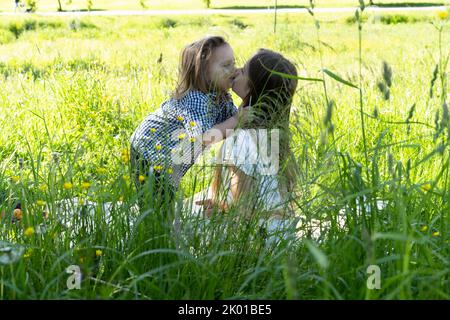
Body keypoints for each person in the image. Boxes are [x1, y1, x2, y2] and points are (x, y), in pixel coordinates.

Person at [186, 49, 300, 246]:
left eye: (244, 71)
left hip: (259, 241)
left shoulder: (243, 140)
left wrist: (220, 212)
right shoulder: (276, 137)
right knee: (196, 201)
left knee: (182, 217)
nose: (236, 71)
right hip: (279, 236)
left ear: (253, 89)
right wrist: (221, 204)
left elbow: (245, 212)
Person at [130, 36, 249, 211]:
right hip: (148, 152)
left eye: (233, 63)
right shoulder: (196, 99)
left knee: (164, 198)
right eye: (225, 66)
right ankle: (153, 233)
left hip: (170, 158)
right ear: (202, 73)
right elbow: (206, 136)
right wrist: (237, 119)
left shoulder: (221, 95)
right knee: (156, 207)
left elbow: (234, 124)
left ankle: (158, 227)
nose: (234, 70)